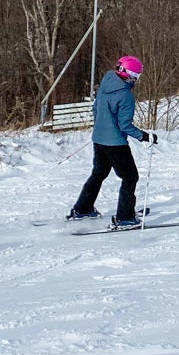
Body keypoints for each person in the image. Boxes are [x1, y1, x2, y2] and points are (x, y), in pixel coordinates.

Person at [68, 55, 157, 227]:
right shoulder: (125, 95)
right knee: (130, 177)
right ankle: (125, 218)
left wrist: (102, 128)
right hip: (116, 144)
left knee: (99, 174)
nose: (136, 80)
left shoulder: (105, 84)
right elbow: (125, 125)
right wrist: (144, 136)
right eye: (136, 75)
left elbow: (95, 109)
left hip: (99, 140)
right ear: (129, 75)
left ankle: (82, 209)